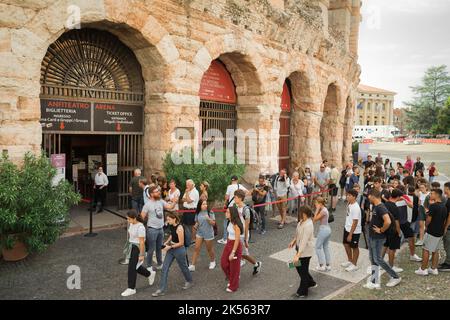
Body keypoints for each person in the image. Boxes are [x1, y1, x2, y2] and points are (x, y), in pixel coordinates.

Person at [364, 189, 401, 289]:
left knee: (378, 259)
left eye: (368, 196)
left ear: (372, 196)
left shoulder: (381, 207)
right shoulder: (377, 206)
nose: (367, 198)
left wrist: (381, 230)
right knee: (373, 259)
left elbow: (388, 221)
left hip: (378, 238)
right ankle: (374, 280)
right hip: (373, 237)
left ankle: (395, 276)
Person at [152, 212, 193, 297]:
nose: (167, 221)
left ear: (174, 219)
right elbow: (172, 234)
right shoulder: (171, 225)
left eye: (169, 219)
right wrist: (166, 242)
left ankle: (189, 281)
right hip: (171, 248)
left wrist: (169, 247)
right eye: (167, 219)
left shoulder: (180, 228)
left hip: (179, 250)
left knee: (183, 267)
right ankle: (161, 289)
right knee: (164, 268)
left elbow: (181, 243)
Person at [141, 186, 175, 279]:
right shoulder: (147, 204)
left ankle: (160, 264)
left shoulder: (161, 201)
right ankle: (148, 266)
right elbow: (142, 217)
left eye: (158, 191)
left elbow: (170, 207)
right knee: (151, 249)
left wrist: (175, 200)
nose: (159, 193)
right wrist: (140, 229)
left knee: (159, 247)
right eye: (156, 192)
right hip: (152, 229)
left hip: (161, 229)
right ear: (151, 194)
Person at [415, 189, 449, 276]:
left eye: (432, 193)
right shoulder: (444, 207)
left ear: (437, 195)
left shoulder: (433, 206)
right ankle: (434, 268)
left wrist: (426, 225)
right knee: (435, 250)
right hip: (440, 231)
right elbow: (445, 220)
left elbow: (429, 220)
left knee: (426, 249)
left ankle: (423, 269)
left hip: (432, 231)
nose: (430, 194)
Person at [121, 211, 152, 297]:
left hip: (138, 248)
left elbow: (142, 242)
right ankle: (149, 274)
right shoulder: (131, 224)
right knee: (135, 267)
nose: (127, 220)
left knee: (131, 268)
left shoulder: (141, 227)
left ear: (134, 218)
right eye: (127, 218)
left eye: (129, 219)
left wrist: (141, 254)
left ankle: (131, 288)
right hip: (132, 246)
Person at [288, 205, 317, 298]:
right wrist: (293, 241)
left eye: (300, 212)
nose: (298, 214)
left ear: (304, 213)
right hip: (299, 249)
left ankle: (302, 291)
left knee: (302, 270)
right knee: (300, 268)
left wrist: (298, 255)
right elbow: (298, 234)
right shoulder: (301, 222)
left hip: (305, 252)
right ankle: (310, 282)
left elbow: (304, 241)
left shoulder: (308, 225)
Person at [234, 189, 262, 275]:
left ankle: (256, 264)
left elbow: (246, 226)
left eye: (235, 197)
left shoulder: (245, 210)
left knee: (244, 254)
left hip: (243, 235)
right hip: (237, 233)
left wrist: (246, 239)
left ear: (240, 198)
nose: (234, 199)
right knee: (238, 253)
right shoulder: (236, 207)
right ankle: (239, 266)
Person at [219, 176, 248, 244]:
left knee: (226, 222)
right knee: (237, 220)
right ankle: (238, 235)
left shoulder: (229, 186)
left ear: (231, 180)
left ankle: (225, 238)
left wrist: (225, 204)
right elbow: (247, 192)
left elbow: (226, 197)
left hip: (230, 207)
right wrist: (242, 198)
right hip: (237, 206)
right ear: (237, 180)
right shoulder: (239, 185)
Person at [188, 199, 216, 272]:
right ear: (200, 205)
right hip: (200, 233)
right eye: (203, 204)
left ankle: (213, 261)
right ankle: (193, 265)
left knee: (209, 249)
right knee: (196, 249)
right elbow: (197, 222)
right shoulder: (198, 213)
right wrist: (195, 228)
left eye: (206, 204)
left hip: (208, 233)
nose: (205, 205)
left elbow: (213, 223)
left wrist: (208, 219)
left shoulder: (210, 212)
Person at [221, 206, 244, 293]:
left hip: (235, 246)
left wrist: (233, 252)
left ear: (232, 214)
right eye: (226, 212)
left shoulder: (236, 225)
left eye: (227, 212)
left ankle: (233, 286)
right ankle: (233, 278)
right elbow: (229, 235)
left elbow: (237, 240)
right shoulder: (229, 222)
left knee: (234, 267)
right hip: (229, 244)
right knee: (224, 263)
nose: (226, 213)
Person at [382, 190, 403, 274]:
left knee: (385, 245)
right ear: (397, 197)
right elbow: (397, 222)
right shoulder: (395, 207)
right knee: (392, 248)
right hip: (393, 230)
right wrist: (399, 231)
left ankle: (380, 262)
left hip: (386, 228)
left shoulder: (386, 204)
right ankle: (391, 266)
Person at [341, 189, 362, 272]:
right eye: (347, 195)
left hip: (354, 231)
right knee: (346, 244)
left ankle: (354, 264)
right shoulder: (350, 204)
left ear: (354, 197)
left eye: (349, 195)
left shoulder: (356, 207)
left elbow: (355, 222)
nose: (347, 196)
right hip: (347, 228)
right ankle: (350, 260)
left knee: (354, 247)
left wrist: (350, 234)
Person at [312, 197, 331, 271]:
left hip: (323, 230)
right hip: (327, 229)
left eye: (316, 203)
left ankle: (321, 265)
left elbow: (314, 220)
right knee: (325, 247)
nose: (315, 204)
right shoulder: (324, 210)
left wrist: (317, 209)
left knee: (317, 247)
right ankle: (328, 265)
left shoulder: (323, 211)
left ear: (320, 203)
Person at [181, 179, 200, 245]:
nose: (187, 186)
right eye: (186, 184)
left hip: (191, 211)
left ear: (192, 184)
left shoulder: (195, 192)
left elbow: (189, 201)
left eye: (188, 184)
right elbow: (182, 200)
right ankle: (188, 240)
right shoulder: (188, 190)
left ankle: (192, 240)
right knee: (186, 225)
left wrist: (186, 194)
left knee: (191, 226)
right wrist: (187, 197)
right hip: (186, 210)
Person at [438, 182, 450, 272]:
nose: (444, 189)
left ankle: (448, 264)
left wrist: (445, 227)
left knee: (447, 245)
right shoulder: (448, 199)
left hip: (449, 227)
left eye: (445, 188)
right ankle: (447, 261)